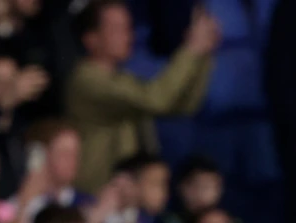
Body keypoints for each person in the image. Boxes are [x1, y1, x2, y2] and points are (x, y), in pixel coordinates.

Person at [66, 1, 217, 193]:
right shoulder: (87, 81)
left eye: (128, 27)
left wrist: (203, 56)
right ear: (91, 39)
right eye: (117, 29)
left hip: (130, 195)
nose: (128, 36)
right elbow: (156, 100)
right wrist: (191, 49)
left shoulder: (123, 78)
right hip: (98, 194)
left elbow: (182, 106)